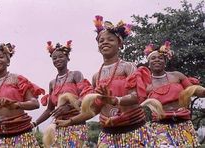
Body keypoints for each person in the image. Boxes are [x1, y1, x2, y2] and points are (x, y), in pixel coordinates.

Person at [56, 15, 157, 147]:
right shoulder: (96, 76)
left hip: (133, 131)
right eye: (101, 40)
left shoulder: (128, 67)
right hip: (107, 134)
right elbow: (94, 109)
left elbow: (138, 96)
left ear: (120, 43)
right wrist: (70, 121)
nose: (104, 42)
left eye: (110, 39)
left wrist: (115, 100)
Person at [125, 41, 205, 147]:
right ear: (148, 63)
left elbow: (194, 90)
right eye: (153, 58)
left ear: (165, 62)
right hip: (160, 127)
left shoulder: (177, 76)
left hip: (183, 123)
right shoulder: (145, 84)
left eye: (160, 58)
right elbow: (136, 102)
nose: (157, 60)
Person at [0, 43, 45, 147]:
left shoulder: (17, 79)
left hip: (21, 136)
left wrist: (15, 104)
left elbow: (35, 103)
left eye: (1, 57)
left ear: (8, 61)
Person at [33, 40, 93, 147]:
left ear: (68, 58)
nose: (57, 60)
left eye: (61, 56)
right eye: (54, 58)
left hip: (76, 125)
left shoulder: (76, 75)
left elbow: (85, 96)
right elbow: (49, 109)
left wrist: (69, 107)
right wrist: (34, 123)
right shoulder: (52, 83)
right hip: (59, 127)